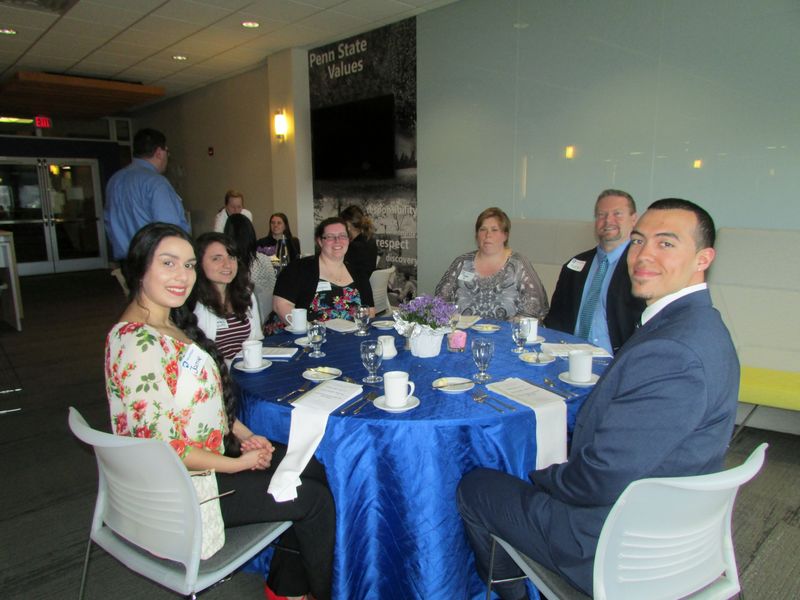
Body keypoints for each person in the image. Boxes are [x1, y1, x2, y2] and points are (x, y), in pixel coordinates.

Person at [457, 199, 739, 598]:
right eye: (639, 241)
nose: (643, 255)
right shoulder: (703, 325)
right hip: (666, 513)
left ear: (703, 258)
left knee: (476, 486)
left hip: (613, 542)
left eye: (666, 244)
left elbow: (599, 478)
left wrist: (540, 476)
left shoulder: (674, 352)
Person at [105, 223, 334, 600]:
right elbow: (163, 448)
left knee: (309, 465)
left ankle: (287, 589)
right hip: (183, 491)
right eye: (168, 263)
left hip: (209, 459)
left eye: (189, 265)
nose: (183, 276)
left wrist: (244, 436)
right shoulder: (137, 342)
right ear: (139, 267)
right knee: (312, 499)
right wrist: (239, 464)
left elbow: (200, 405)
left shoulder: (169, 323)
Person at [545, 189, 645, 354]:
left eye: (617, 214)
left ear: (634, 219)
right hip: (570, 359)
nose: (608, 221)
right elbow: (555, 319)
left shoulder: (642, 269)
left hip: (617, 363)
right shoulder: (573, 266)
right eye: (601, 215)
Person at [434, 207, 548, 320]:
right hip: (463, 334)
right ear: (477, 235)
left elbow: (536, 308)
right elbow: (440, 300)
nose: (488, 235)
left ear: (505, 235)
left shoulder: (518, 264)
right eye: (483, 229)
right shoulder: (462, 262)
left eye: (494, 230)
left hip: (507, 335)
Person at [268, 217, 374, 333]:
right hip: (300, 338)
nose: (337, 241)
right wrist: (310, 331)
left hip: (346, 339)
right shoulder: (299, 268)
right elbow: (280, 305)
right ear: (319, 241)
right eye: (330, 237)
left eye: (342, 236)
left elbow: (370, 311)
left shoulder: (358, 272)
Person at [104, 128, 189, 260]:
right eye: (167, 152)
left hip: (126, 260)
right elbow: (169, 230)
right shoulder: (156, 182)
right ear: (160, 152)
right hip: (151, 260)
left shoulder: (115, 180)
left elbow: (109, 222)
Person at [191, 232, 263, 361]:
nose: (227, 264)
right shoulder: (193, 302)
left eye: (231, 257)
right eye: (217, 258)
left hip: (246, 370)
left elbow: (256, 339)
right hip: (214, 375)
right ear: (199, 262)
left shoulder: (245, 294)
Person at [224, 214, 276, 325]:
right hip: (267, 316)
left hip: (243, 318)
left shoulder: (227, 263)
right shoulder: (263, 259)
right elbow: (273, 287)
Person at [340, 204, 378, 280]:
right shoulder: (370, 241)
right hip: (364, 285)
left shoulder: (354, 246)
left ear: (348, 225)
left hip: (355, 288)